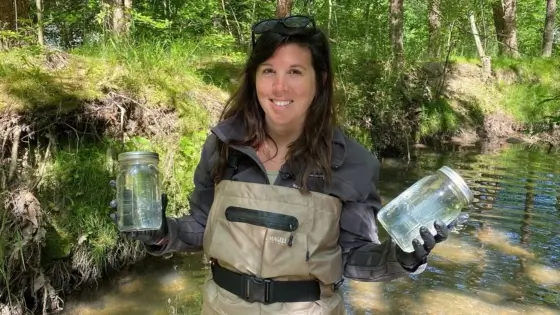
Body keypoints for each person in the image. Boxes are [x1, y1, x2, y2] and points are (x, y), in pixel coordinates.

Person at [110, 15, 451, 315]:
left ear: (321, 82)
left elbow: (352, 257)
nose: (279, 86)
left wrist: (402, 258)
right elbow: (202, 227)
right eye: (268, 70)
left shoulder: (353, 162)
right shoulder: (223, 145)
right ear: (254, 78)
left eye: (295, 72)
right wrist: (160, 233)